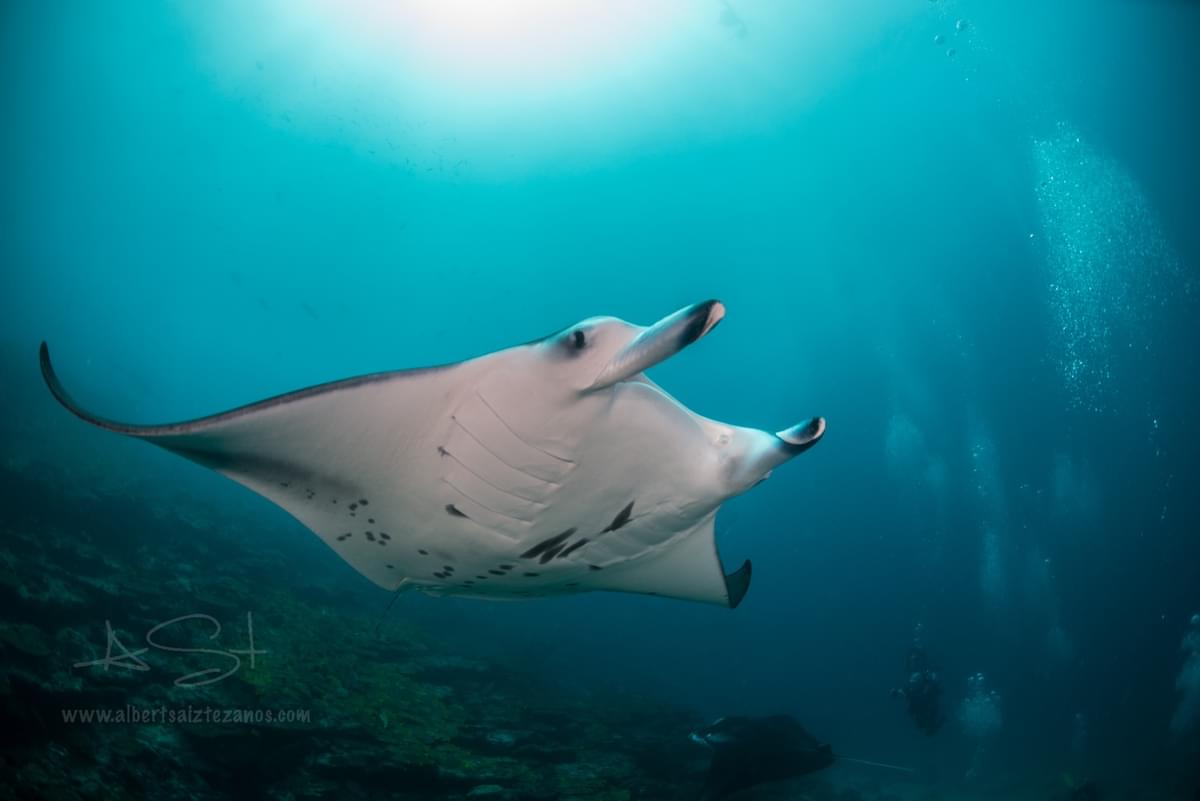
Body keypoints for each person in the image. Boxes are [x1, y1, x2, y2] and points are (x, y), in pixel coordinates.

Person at [891, 633, 945, 736]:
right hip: (922, 705)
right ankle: (933, 723)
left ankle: (934, 723)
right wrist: (897, 692)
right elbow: (908, 692)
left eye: (916, 659)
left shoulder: (927, 676)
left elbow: (930, 691)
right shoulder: (917, 677)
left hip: (926, 704)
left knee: (926, 725)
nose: (914, 661)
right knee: (924, 725)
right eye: (913, 659)